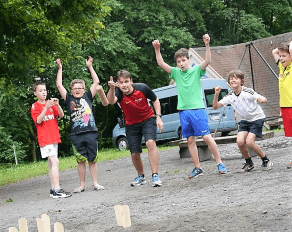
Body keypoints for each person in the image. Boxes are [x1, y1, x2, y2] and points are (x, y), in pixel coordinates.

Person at [153, 34, 227, 179]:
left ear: (188, 60)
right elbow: (161, 64)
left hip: (197, 109)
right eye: (179, 61)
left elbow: (207, 61)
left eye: (183, 60)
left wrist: (207, 45)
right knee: (190, 140)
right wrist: (157, 49)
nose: (181, 63)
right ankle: (197, 167)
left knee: (206, 136)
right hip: (184, 111)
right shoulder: (175, 73)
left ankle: (219, 163)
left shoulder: (196, 70)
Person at [56, 56, 108, 193]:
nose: (77, 90)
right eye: (75, 88)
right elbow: (59, 86)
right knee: (80, 161)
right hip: (76, 134)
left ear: (84, 89)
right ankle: (82, 185)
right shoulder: (69, 99)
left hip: (91, 132)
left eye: (80, 88)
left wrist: (90, 66)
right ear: (71, 90)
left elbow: (96, 81)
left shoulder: (88, 97)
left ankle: (96, 183)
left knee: (93, 159)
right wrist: (60, 68)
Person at [107, 70, 164, 187]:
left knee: (150, 142)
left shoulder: (142, 88)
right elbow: (111, 101)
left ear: (131, 81)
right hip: (131, 124)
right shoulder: (118, 93)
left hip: (148, 119)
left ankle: (155, 175)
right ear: (118, 83)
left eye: (126, 82)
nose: (124, 85)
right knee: (134, 153)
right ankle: (141, 176)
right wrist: (112, 88)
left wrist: (158, 117)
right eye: (121, 82)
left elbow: (155, 99)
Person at [213, 70, 272, 172]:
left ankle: (265, 160)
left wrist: (262, 99)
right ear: (229, 83)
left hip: (257, 118)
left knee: (249, 142)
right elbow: (215, 106)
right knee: (240, 141)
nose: (233, 80)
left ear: (242, 81)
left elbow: (259, 97)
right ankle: (249, 162)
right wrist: (216, 94)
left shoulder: (247, 91)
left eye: (235, 78)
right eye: (231, 79)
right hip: (245, 120)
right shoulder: (230, 96)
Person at [31, 82, 72, 198]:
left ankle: (53, 189)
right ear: (35, 93)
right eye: (40, 91)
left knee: (51, 164)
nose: (43, 92)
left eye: (44, 90)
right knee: (55, 162)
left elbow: (61, 115)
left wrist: (57, 105)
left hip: (54, 137)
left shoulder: (50, 104)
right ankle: (57, 189)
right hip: (45, 139)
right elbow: (38, 120)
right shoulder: (35, 106)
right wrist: (46, 107)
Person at [272, 42, 292, 169]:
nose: (281, 58)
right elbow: (274, 51)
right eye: (281, 56)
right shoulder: (281, 67)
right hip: (285, 107)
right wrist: (281, 50)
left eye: (284, 56)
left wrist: (290, 45)